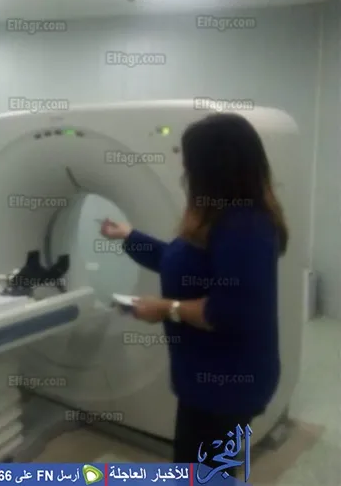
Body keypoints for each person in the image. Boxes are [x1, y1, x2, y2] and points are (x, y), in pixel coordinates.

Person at [100, 112, 287, 475]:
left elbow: (228, 311)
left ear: (213, 168)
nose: (184, 170)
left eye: (188, 161)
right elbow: (177, 263)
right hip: (207, 379)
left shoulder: (244, 226)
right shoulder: (219, 216)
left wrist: (164, 308)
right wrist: (129, 236)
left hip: (227, 385)